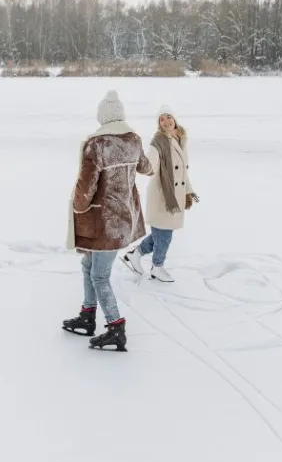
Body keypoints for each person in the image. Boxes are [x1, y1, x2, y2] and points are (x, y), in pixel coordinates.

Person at [62, 90, 153, 352]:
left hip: (102, 223)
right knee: (87, 265)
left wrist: (77, 207)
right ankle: (87, 315)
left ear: (102, 117)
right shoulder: (133, 139)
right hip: (124, 219)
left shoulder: (97, 144)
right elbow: (146, 168)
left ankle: (116, 327)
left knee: (100, 276)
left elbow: (85, 186)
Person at [122, 105, 198, 282]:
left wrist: (188, 192)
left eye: (168, 117)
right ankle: (157, 267)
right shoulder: (158, 143)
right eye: (161, 119)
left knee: (161, 234)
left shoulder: (180, 139)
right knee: (164, 235)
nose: (166, 122)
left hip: (174, 195)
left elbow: (183, 173)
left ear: (174, 118)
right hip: (162, 196)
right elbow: (149, 163)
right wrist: (136, 159)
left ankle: (135, 254)